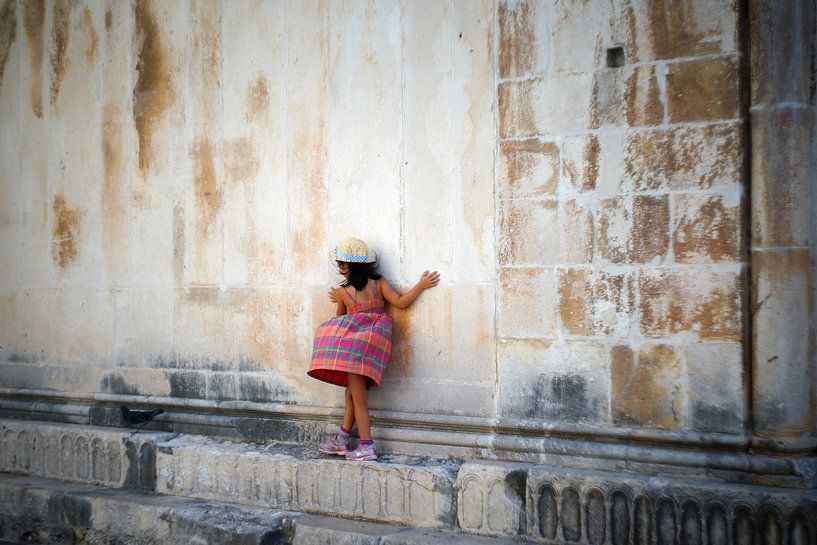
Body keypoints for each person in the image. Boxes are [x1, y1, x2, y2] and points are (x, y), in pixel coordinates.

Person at [307, 237, 440, 461]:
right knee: (351, 393)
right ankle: (341, 438)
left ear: (351, 266)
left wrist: (339, 301)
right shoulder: (379, 283)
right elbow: (400, 302)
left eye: (341, 264)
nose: (340, 269)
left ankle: (367, 445)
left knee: (358, 399)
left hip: (351, 350)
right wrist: (421, 285)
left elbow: (340, 321)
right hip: (371, 347)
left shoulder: (343, 292)